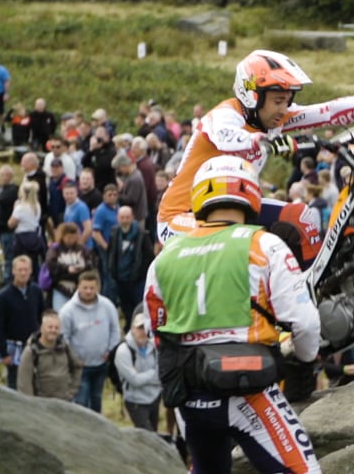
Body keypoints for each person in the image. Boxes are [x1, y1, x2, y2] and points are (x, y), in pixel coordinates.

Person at [144, 155, 322, 474]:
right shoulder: (265, 244)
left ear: (199, 198)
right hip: (250, 389)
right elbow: (305, 323)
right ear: (251, 195)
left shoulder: (165, 258)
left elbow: (155, 329)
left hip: (190, 395)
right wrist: (307, 361)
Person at [156, 49, 354, 243]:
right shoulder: (224, 115)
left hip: (233, 209)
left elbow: (325, 112)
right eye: (278, 101)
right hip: (180, 217)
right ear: (252, 96)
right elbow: (226, 137)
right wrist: (262, 141)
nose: (284, 110)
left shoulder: (273, 117)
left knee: (302, 218)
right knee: (240, 243)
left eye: (287, 101)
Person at [59, 270, 121, 413]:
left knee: (96, 399)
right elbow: (63, 339)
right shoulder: (67, 311)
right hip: (80, 368)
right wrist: (75, 359)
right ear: (78, 287)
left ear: (97, 288)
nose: (88, 291)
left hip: (101, 364)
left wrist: (109, 351)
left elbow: (115, 330)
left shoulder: (107, 306)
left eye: (92, 288)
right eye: (85, 287)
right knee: (81, 402)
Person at [0, 255, 44, 389]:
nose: (23, 273)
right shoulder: (3, 297)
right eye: (20, 270)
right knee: (14, 384)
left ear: (31, 271)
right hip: (13, 348)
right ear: (13, 271)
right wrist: (3, 353)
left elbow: (42, 316)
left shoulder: (36, 291)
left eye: (26, 270)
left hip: (33, 345)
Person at [17, 310, 82, 400]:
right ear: (41, 328)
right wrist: (31, 404)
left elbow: (77, 367)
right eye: (50, 327)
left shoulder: (64, 347)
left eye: (56, 328)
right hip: (41, 404)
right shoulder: (31, 352)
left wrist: (72, 391)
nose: (53, 330)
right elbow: (24, 383)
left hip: (64, 402)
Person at [108, 205, 153, 330]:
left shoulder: (142, 234)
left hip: (136, 280)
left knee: (138, 306)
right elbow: (111, 253)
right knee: (125, 306)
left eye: (127, 217)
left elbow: (149, 257)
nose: (124, 220)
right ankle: (128, 328)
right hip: (120, 279)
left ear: (132, 217)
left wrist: (141, 274)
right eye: (122, 217)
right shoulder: (115, 233)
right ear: (118, 218)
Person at [115, 313, 161, 431]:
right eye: (140, 328)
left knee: (154, 434)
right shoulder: (123, 351)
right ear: (132, 329)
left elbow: (162, 375)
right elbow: (134, 380)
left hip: (154, 398)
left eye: (146, 328)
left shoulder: (155, 347)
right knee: (147, 436)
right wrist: (153, 372)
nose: (143, 331)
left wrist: (144, 376)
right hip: (135, 401)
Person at [45, 222, 98, 311]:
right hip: (60, 288)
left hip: (79, 287)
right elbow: (51, 265)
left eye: (73, 237)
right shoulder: (55, 250)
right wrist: (67, 269)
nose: (71, 240)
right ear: (62, 236)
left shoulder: (83, 250)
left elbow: (91, 264)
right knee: (60, 313)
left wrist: (79, 269)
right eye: (69, 237)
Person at [9, 180, 45, 280]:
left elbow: (11, 224)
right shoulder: (37, 206)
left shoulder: (20, 208)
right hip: (34, 236)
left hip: (22, 239)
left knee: (21, 261)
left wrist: (14, 208)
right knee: (34, 262)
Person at [0, 165, 18, 288]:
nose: (4, 178)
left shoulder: (13, 189)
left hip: (7, 229)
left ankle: (7, 281)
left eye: (6, 175)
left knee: (9, 256)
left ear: (11, 176)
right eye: (2, 175)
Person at [112, 153, 147, 224]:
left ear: (124, 166)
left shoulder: (135, 178)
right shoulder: (133, 175)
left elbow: (131, 200)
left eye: (119, 168)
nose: (119, 171)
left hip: (136, 217)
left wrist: (116, 196)